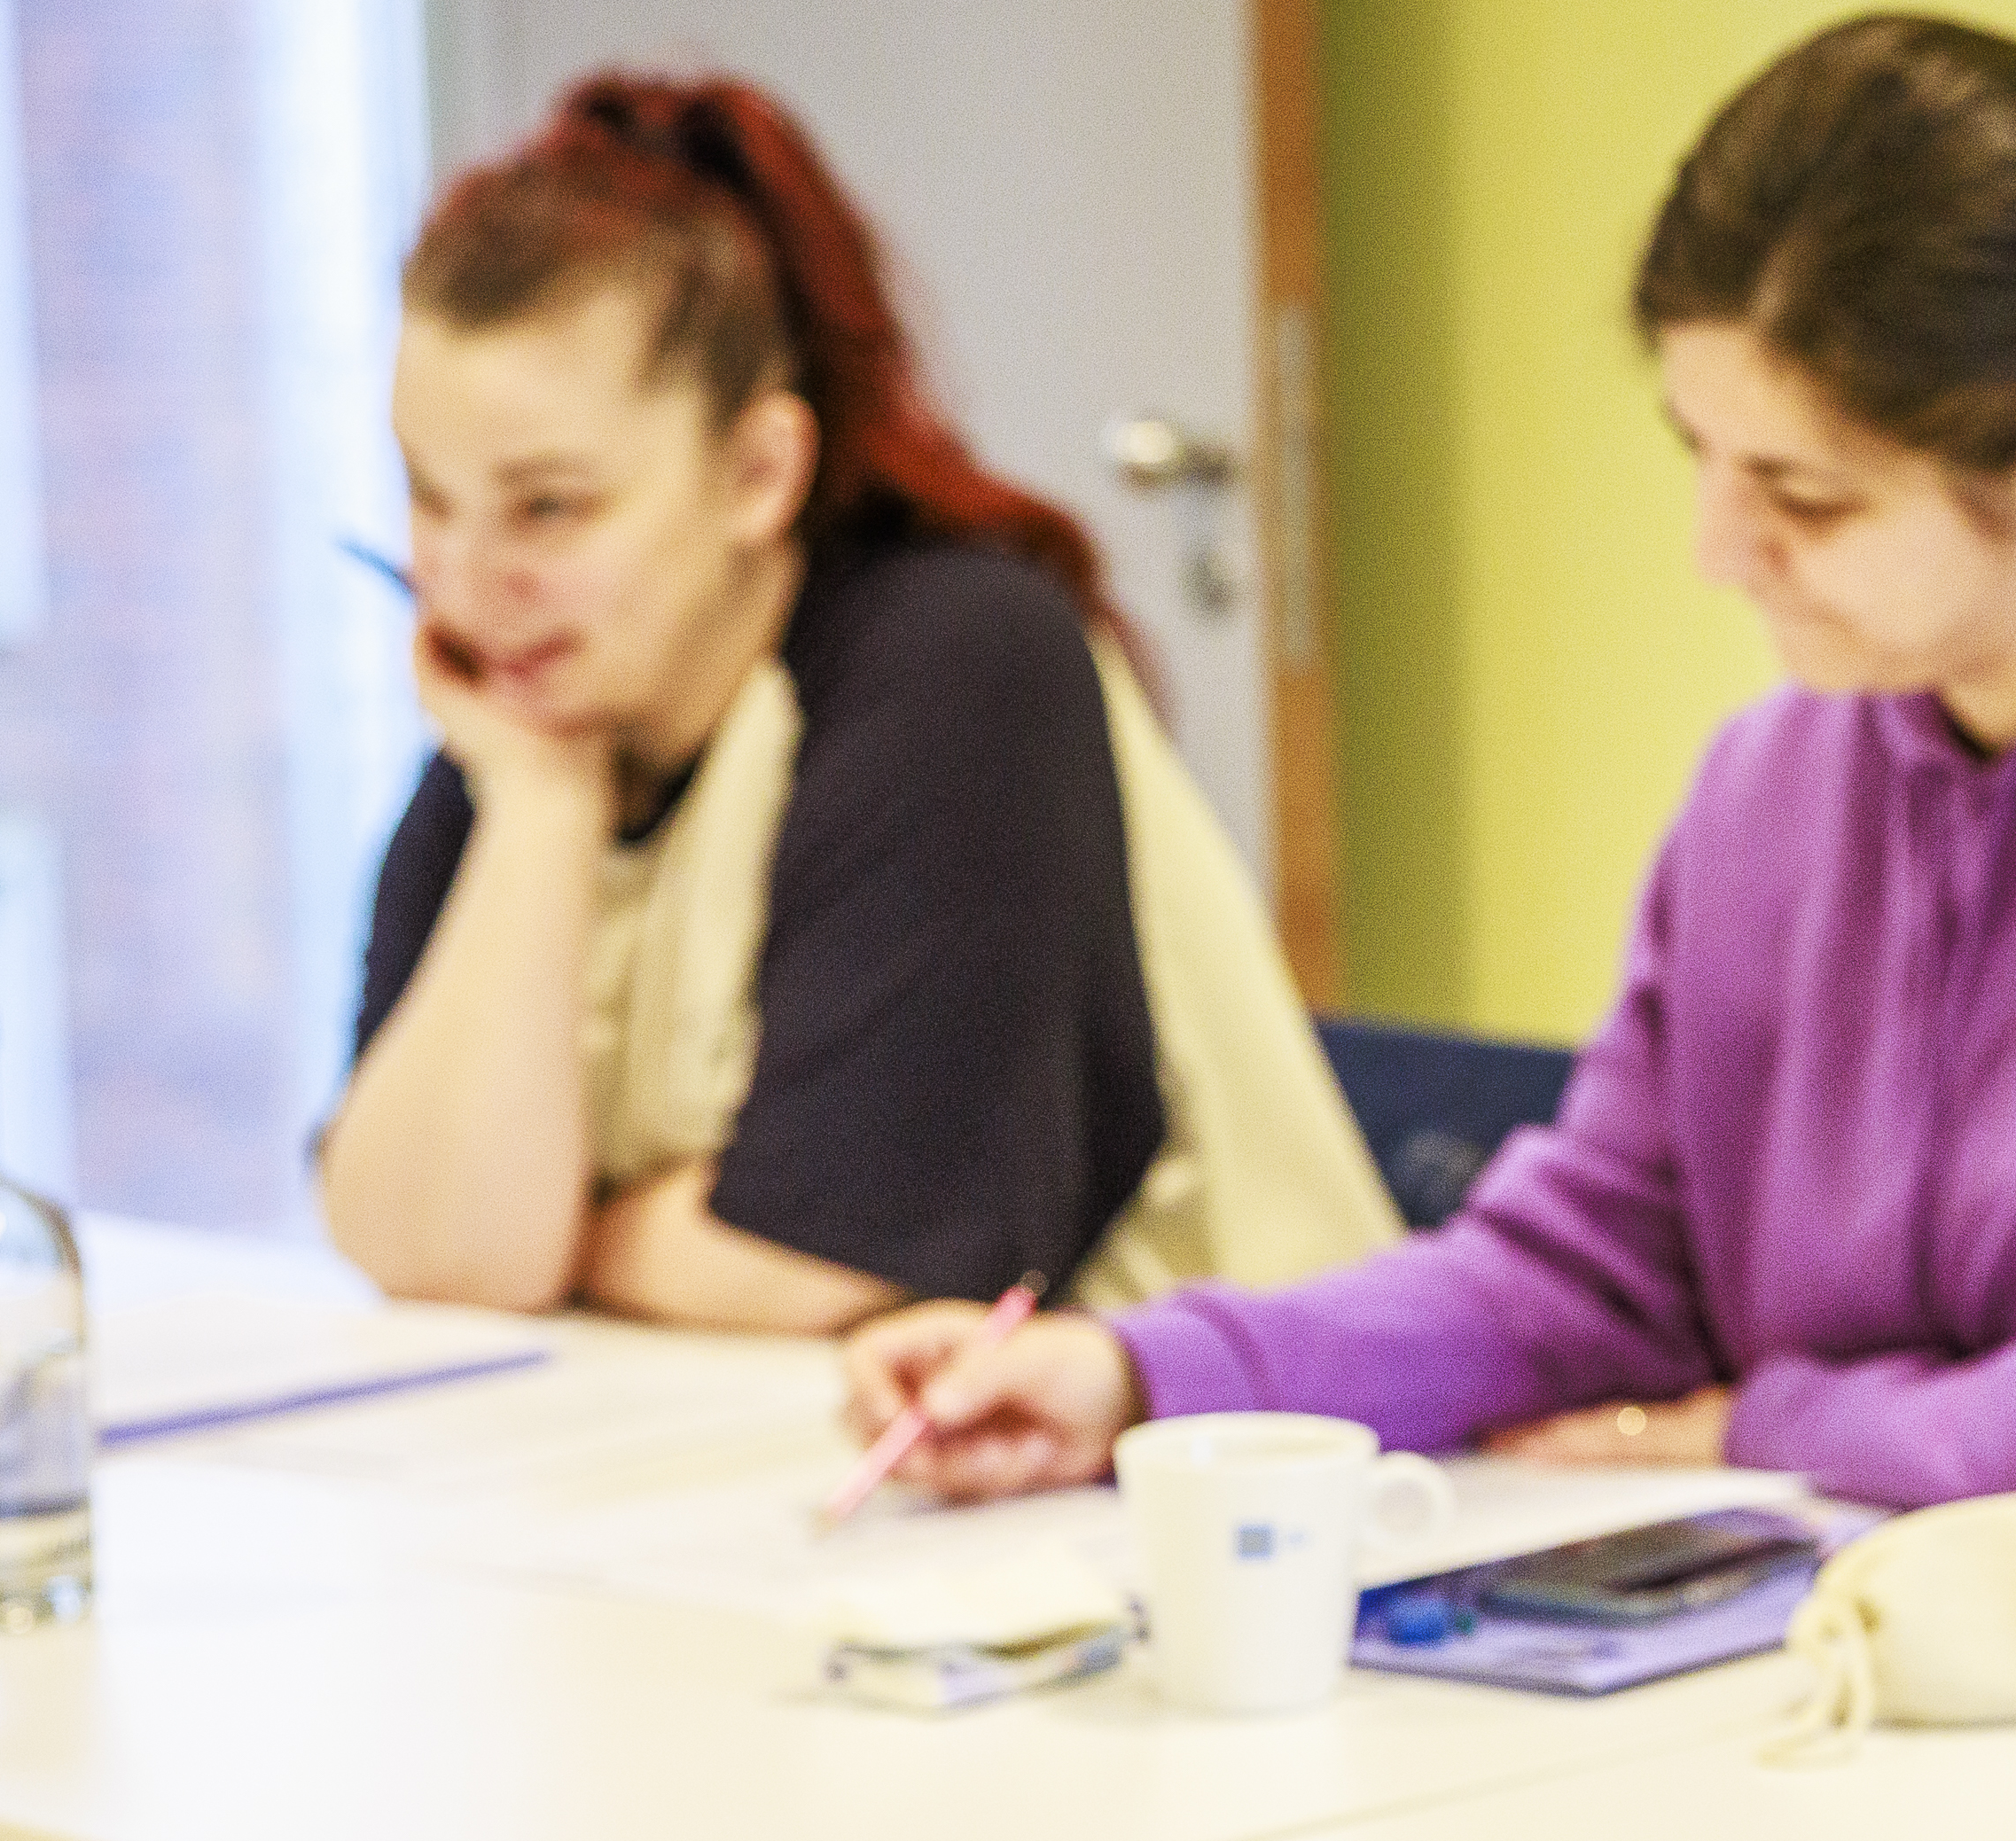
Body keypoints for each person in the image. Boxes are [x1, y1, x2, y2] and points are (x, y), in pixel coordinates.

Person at [849, 14, 2016, 1611]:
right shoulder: (1792, 774)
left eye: (1807, 495)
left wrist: (1767, 1423)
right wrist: (1141, 1377)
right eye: (1700, 457)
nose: (1716, 550)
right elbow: (1597, 1265)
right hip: (1966, 1644)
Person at [328, 71, 1395, 1328]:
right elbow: (421, 1252)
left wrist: (562, 1234)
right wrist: (542, 810)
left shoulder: (956, 663)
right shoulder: (524, 729)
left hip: (1204, 1480)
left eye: (550, 506)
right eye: (430, 499)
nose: (463, 582)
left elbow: (824, 1264)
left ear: (757, 471)